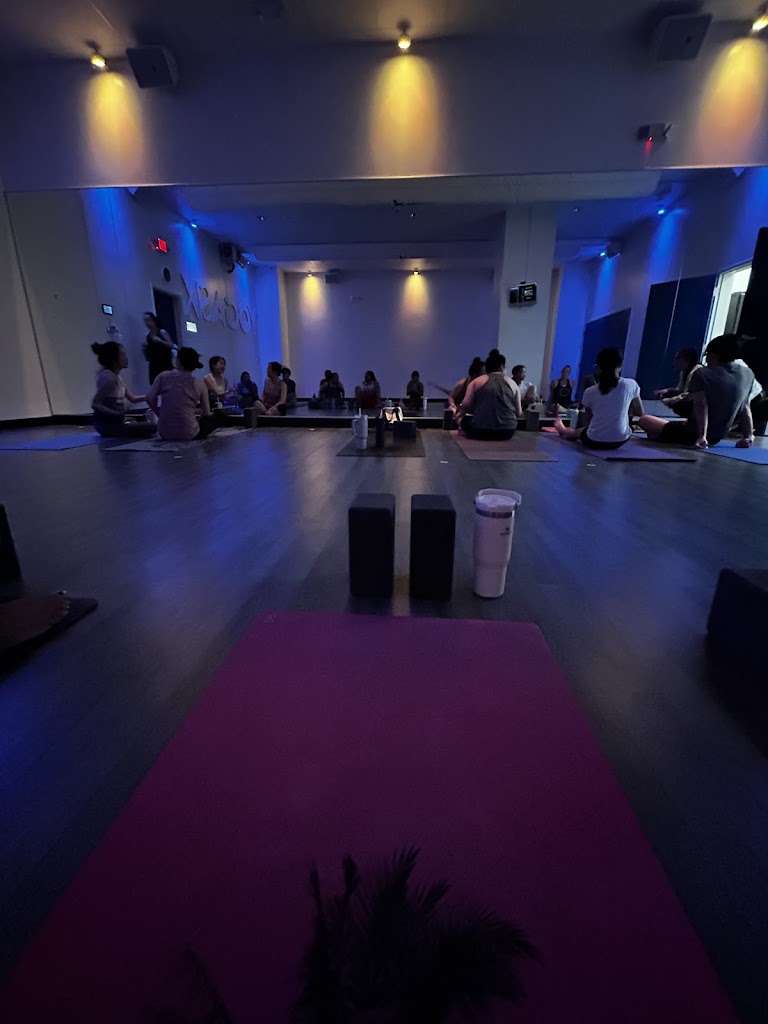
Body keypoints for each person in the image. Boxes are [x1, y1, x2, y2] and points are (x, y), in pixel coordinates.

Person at [639, 334, 755, 450]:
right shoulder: (747, 374)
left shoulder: (702, 373)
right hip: (718, 436)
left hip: (692, 434)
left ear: (713, 355)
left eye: (706, 355)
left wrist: (702, 437)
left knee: (644, 420)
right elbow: (745, 406)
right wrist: (749, 435)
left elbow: (701, 405)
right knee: (654, 434)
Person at [554, 347, 643, 449]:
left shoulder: (589, 391)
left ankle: (562, 430)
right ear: (620, 365)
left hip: (594, 440)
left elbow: (588, 420)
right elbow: (640, 412)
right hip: (620, 440)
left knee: (577, 432)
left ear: (598, 367)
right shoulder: (631, 385)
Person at [147, 347, 217, 441]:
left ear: (178, 361)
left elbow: (149, 398)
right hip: (189, 434)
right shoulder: (200, 384)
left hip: (165, 432)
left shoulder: (163, 376)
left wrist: (160, 414)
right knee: (218, 417)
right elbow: (206, 413)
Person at [90, 341, 156, 438]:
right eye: (122, 355)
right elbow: (95, 404)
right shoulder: (109, 379)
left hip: (117, 421)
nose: (126, 358)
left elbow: (133, 398)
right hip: (107, 425)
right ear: (113, 358)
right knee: (152, 427)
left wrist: (151, 395)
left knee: (144, 422)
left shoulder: (117, 377)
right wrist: (115, 413)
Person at [456, 349, 521, 440]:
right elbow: (519, 412)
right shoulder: (513, 383)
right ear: (501, 367)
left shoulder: (476, 382)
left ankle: (465, 431)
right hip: (507, 432)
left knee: (463, 420)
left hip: (480, 431)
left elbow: (465, 405)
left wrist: (459, 415)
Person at [654, 347, 702, 418]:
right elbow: (679, 389)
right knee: (666, 394)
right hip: (687, 397)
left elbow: (688, 395)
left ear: (685, 360)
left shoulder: (697, 372)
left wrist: (668, 401)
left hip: (695, 400)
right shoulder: (684, 372)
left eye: (677, 359)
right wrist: (666, 391)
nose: (675, 362)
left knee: (681, 402)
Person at [142, 312, 174, 385]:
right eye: (145, 321)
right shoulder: (148, 336)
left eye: (148, 320)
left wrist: (160, 341)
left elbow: (171, 345)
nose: (147, 323)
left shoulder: (161, 332)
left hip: (164, 363)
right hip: (154, 364)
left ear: (153, 320)